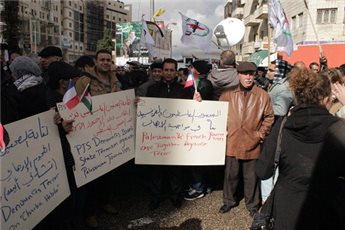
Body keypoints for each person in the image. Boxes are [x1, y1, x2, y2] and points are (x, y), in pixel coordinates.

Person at [256, 68, 345, 229]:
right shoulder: (340, 128)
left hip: (286, 209)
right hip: (327, 210)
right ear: (326, 100)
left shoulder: (283, 124)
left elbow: (263, 171)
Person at [218, 62, 274, 216]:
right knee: (230, 175)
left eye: (251, 73)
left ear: (255, 75)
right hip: (232, 141)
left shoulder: (263, 95)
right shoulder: (227, 93)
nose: (248, 77)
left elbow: (269, 117)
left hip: (252, 142)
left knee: (251, 177)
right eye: (245, 73)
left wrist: (261, 133)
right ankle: (228, 201)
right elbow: (216, 113)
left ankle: (252, 205)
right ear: (239, 75)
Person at [75, 49, 119, 228]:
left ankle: (105, 202)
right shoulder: (84, 81)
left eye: (109, 60)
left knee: (108, 173)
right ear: (95, 61)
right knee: (93, 175)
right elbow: (77, 106)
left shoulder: (115, 80)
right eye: (102, 59)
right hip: (92, 134)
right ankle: (91, 212)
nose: (106, 62)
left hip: (112, 132)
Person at [145, 58, 193, 210]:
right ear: (162, 70)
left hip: (176, 137)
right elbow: (145, 112)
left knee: (176, 170)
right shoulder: (152, 90)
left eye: (172, 70)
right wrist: (139, 104)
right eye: (166, 70)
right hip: (156, 137)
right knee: (155, 171)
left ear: (176, 72)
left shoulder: (184, 90)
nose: (168, 73)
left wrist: (196, 101)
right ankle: (155, 197)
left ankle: (175, 196)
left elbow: (191, 110)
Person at [184, 60, 213, 201]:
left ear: (198, 71)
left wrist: (198, 98)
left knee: (196, 159)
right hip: (197, 125)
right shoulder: (199, 82)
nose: (190, 70)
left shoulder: (204, 84)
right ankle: (201, 184)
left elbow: (203, 103)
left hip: (198, 126)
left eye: (192, 68)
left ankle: (199, 187)